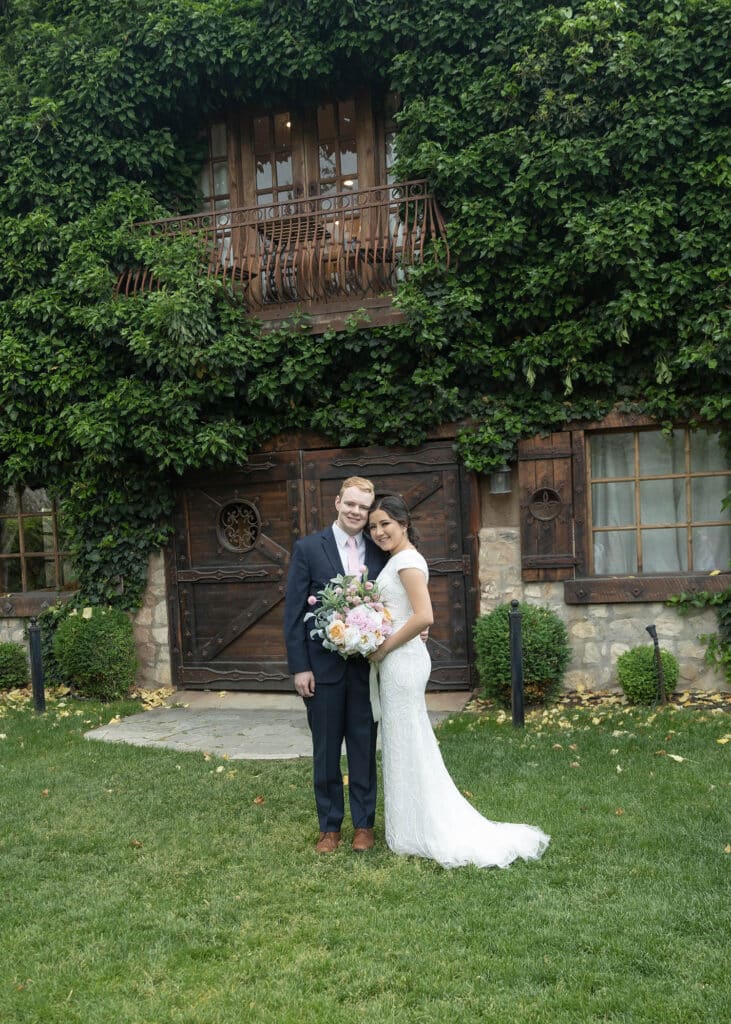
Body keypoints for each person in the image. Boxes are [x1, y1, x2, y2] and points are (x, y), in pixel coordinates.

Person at [367, 493, 550, 869]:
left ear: (403, 523)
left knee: (408, 740)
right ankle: (409, 825)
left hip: (401, 663)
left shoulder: (407, 561)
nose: (379, 531)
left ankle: (426, 826)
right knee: (404, 741)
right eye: (373, 526)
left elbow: (424, 617)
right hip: (397, 659)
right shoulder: (398, 560)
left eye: (385, 523)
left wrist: (383, 647)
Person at [284, 476, 388, 854]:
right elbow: (294, 613)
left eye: (363, 506)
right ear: (337, 502)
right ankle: (329, 828)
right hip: (322, 670)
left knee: (363, 747)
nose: (357, 512)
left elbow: (392, 601)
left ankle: (364, 825)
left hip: (365, 669)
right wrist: (300, 667)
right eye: (351, 504)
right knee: (326, 751)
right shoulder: (309, 548)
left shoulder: (379, 550)